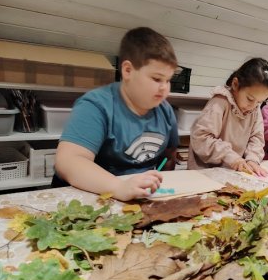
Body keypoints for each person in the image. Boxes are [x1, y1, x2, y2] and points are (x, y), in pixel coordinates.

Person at [53, 27, 179, 201]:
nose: (164, 87)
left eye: (168, 80)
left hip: (139, 197)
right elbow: (68, 161)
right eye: (156, 79)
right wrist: (118, 187)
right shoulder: (96, 105)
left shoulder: (165, 111)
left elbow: (169, 155)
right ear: (127, 70)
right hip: (93, 197)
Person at [188, 57, 268, 175]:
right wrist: (230, 156)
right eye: (250, 98)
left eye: (259, 102)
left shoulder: (255, 107)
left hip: (230, 171)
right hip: (204, 171)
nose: (253, 105)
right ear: (235, 84)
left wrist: (252, 159)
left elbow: (257, 138)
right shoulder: (220, 102)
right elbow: (201, 138)